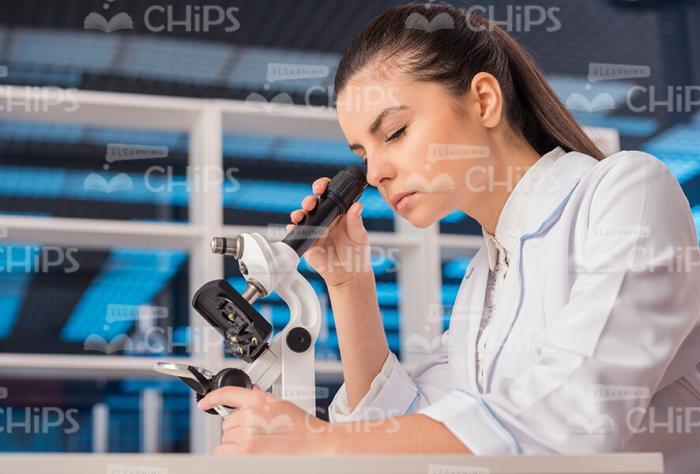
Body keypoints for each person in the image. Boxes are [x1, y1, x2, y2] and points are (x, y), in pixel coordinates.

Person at [197, 3, 700, 471]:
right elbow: (412, 429)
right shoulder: (485, 278)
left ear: (483, 100)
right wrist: (350, 284)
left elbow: (572, 418)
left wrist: (315, 441)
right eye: (364, 153)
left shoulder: (626, 192)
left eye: (393, 133)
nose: (374, 174)